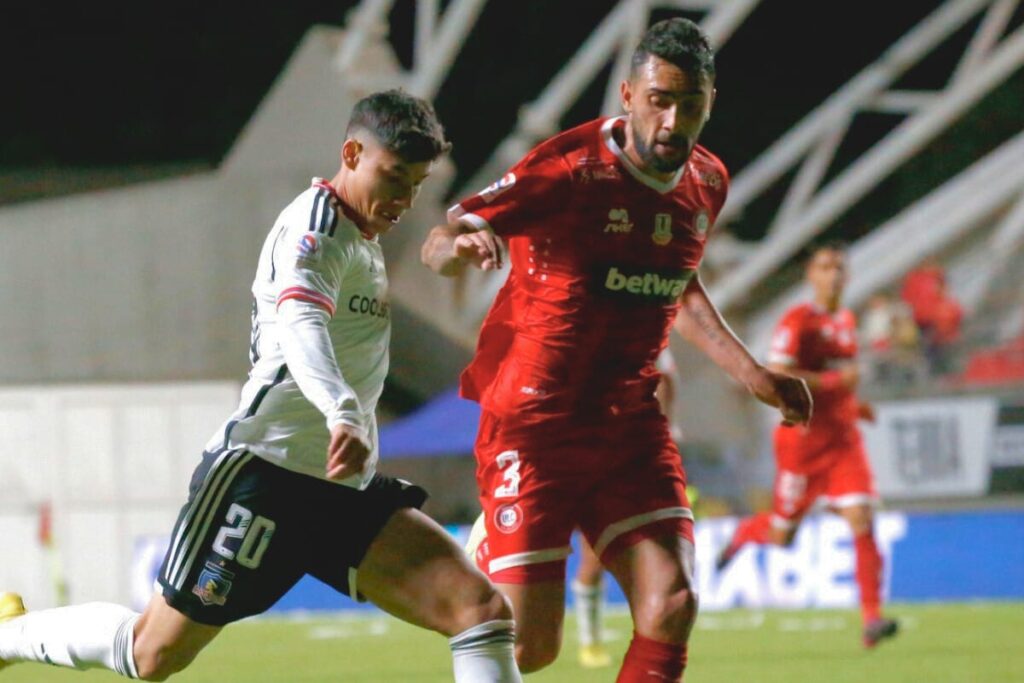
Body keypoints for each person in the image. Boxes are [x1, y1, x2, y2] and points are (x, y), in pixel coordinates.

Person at [0, 90, 522, 683]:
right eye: (394, 176)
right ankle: (10, 635)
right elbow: (301, 320)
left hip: (338, 488)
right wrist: (342, 411)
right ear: (351, 153)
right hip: (263, 476)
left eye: (416, 183)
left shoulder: (364, 239)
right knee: (149, 656)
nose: (404, 199)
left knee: (479, 612)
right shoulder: (315, 226)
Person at [421, 19, 811, 682]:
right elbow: (443, 236)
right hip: (533, 423)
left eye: (690, 104)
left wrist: (756, 375)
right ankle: (475, 555)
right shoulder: (569, 169)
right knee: (529, 648)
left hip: (627, 422)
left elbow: (678, 286)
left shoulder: (707, 183)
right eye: (660, 99)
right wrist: (458, 246)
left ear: (710, 102)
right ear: (628, 94)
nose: (673, 119)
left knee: (673, 602)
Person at [715, 242, 899, 649]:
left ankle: (872, 619)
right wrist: (833, 385)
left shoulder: (847, 319)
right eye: (825, 267)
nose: (833, 274)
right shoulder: (798, 320)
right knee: (783, 536)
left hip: (843, 440)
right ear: (810, 276)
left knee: (861, 516)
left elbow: (839, 379)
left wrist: (855, 404)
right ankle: (747, 532)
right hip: (801, 443)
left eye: (838, 267)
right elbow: (778, 371)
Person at [571, 348, 681, 669]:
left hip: (636, 456)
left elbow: (668, 380)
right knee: (592, 557)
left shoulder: (647, 334)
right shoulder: (588, 337)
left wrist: (667, 426)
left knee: (658, 555)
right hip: (587, 454)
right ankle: (589, 639)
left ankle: (646, 640)